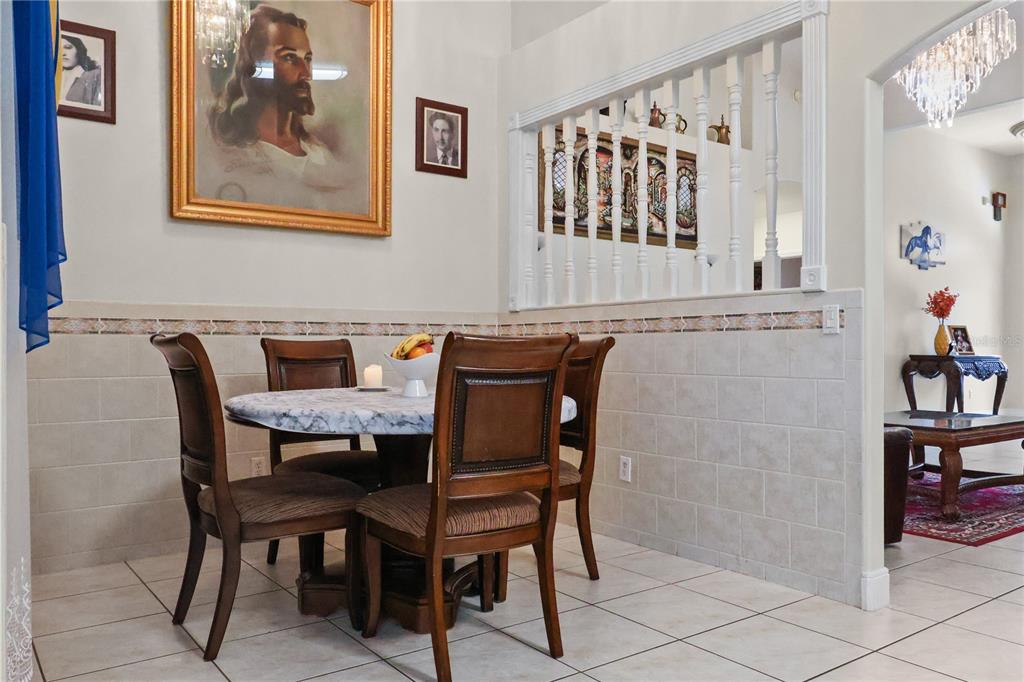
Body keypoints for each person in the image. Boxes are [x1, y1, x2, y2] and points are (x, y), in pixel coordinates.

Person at [204, 5, 352, 211]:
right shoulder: (232, 153)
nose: (306, 73)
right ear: (255, 65)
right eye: (289, 57)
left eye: (307, 59)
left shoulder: (319, 155)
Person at [60, 35, 102, 106]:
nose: (63, 53)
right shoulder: (51, 78)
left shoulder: (95, 75)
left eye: (68, 47)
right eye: (58, 49)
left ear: (79, 50)